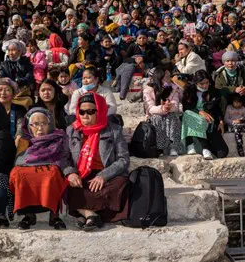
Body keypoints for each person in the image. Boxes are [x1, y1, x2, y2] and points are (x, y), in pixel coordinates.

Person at [64, 93, 129, 230]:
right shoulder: (72, 130)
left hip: (107, 174)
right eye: (82, 112)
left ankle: (87, 214)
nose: (85, 115)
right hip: (82, 172)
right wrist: (71, 173)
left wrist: (103, 176)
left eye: (91, 111)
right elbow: (65, 158)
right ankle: (91, 214)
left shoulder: (114, 130)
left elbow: (123, 159)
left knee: (120, 184)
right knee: (69, 185)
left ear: (99, 111)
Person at [10, 108, 70, 230]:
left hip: (50, 169)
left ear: (50, 124)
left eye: (43, 123)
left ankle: (54, 215)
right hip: (28, 168)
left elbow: (64, 159)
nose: (40, 128)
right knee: (18, 173)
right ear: (28, 126)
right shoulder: (24, 141)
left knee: (53, 173)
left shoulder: (58, 138)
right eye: (35, 124)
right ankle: (28, 214)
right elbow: (19, 161)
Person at [181, 70, 228, 159]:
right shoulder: (189, 91)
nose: (205, 86)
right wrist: (200, 112)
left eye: (207, 83)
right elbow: (186, 107)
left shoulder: (213, 91)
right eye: (202, 84)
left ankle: (206, 145)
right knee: (189, 115)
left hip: (209, 120)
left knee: (222, 152)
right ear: (196, 83)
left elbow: (216, 108)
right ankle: (202, 148)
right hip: (193, 116)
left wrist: (221, 120)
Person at [143, 67, 184, 156]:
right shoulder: (148, 90)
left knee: (172, 116)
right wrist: (162, 108)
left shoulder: (173, 88)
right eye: (167, 77)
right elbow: (150, 108)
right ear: (159, 77)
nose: (169, 79)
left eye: (170, 76)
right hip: (154, 115)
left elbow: (176, 103)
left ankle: (174, 146)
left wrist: (169, 107)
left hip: (170, 113)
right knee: (157, 118)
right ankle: (160, 147)